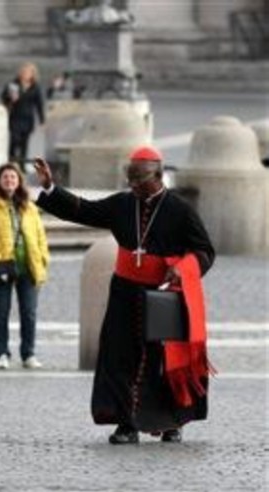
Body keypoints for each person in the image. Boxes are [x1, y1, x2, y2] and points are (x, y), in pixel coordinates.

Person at [33, 146, 215, 445]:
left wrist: (183, 268)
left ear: (158, 176)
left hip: (164, 294)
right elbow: (83, 210)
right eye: (130, 180)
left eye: (139, 180)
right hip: (125, 293)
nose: (133, 186)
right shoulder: (123, 203)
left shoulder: (180, 210)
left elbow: (205, 251)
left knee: (164, 360)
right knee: (119, 358)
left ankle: (172, 422)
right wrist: (51, 188)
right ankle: (126, 424)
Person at [0, 163, 50, 370]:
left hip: (28, 266)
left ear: (19, 181)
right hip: (1, 268)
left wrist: (43, 258)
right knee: (1, 312)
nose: (9, 180)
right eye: (5, 177)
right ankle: (2, 353)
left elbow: (40, 235)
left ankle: (28, 354)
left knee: (29, 312)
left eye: (13, 177)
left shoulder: (29, 207)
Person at [1, 62, 45, 167]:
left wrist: (42, 120)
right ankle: (11, 162)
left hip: (28, 119)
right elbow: (4, 98)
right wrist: (10, 99)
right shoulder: (13, 84)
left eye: (28, 73)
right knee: (14, 141)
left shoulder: (35, 87)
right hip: (15, 117)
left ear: (32, 75)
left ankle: (22, 165)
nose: (25, 74)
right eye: (23, 72)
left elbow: (39, 104)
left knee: (24, 143)